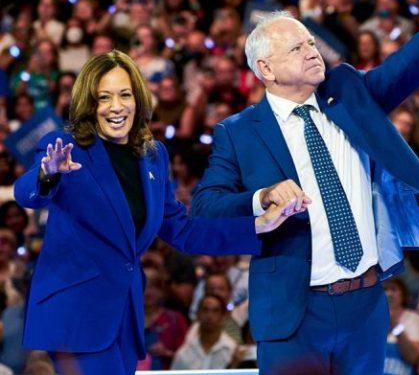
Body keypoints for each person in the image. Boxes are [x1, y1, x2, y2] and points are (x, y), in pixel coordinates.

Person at [191, 0, 419, 375]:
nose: (312, 52)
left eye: (311, 43)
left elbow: (405, 68)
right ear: (265, 68)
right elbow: (205, 208)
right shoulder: (238, 132)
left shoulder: (346, 90)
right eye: (297, 48)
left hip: (365, 305)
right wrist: (261, 198)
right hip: (293, 313)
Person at [13, 50, 304, 375]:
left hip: (124, 317)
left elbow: (183, 230)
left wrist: (258, 225)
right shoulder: (64, 147)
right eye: (104, 97)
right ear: (88, 104)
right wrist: (48, 173)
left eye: (125, 95)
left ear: (138, 99)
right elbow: (26, 192)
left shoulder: (152, 156)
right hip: (76, 314)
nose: (116, 106)